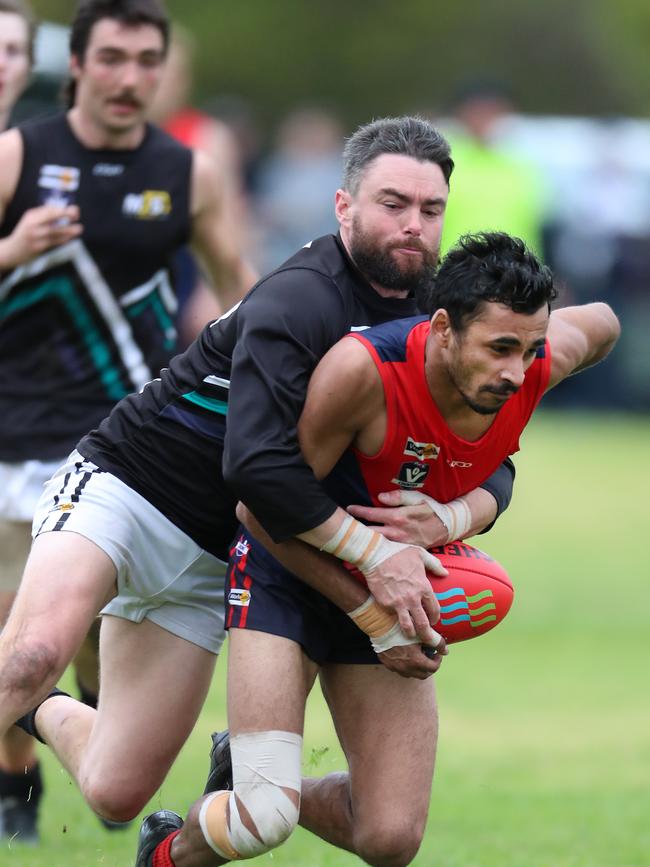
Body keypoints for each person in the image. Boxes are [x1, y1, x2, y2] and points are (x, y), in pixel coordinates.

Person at [0, 116, 516, 836]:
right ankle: (23, 688)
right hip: (130, 490)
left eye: (430, 210)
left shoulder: (440, 321)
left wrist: (452, 517)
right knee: (29, 652)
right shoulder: (302, 298)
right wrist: (376, 558)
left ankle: (35, 705)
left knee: (116, 791)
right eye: (392, 204)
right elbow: (253, 465)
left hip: (217, 551)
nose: (413, 226)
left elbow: (496, 454)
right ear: (345, 207)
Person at [140, 232, 619, 867]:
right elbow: (260, 512)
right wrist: (371, 610)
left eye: (530, 350)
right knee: (261, 822)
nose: (515, 371)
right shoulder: (364, 370)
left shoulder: (534, 362)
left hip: (396, 593)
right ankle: (172, 849)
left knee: (390, 839)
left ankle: (248, 773)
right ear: (442, 329)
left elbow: (606, 323)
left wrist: (452, 516)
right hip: (288, 572)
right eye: (499, 348)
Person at [0, 0, 253, 841]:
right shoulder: (18, 156)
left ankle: (92, 746)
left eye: (147, 61)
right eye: (112, 58)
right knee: (21, 642)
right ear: (75, 65)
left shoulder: (188, 173)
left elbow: (248, 297)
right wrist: (14, 247)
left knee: (70, 661)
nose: (129, 78)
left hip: (129, 448)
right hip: (12, 435)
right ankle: (17, 797)